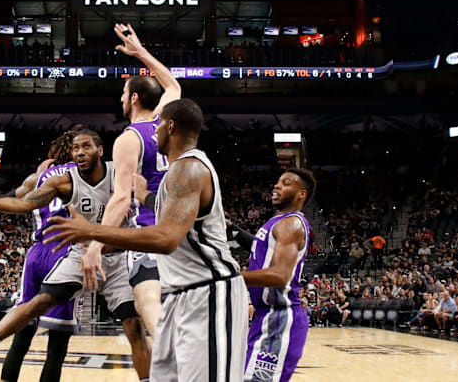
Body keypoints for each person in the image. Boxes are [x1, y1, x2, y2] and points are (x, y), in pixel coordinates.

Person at [44, 99, 249, 382]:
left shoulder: (188, 168)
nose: (154, 133)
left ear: (171, 126)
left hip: (208, 292)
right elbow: (174, 217)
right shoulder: (176, 173)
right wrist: (144, 198)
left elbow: (166, 238)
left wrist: (93, 232)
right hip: (181, 292)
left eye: (159, 125)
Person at [0, 128, 150, 381]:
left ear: (100, 150)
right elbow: (25, 203)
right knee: (40, 301)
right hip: (81, 254)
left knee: (134, 326)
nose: (79, 152)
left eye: (86, 146)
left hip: (119, 257)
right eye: (75, 148)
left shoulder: (118, 172)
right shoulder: (63, 181)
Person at [81, 23, 180, 339]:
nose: (121, 99)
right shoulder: (166, 122)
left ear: (134, 98)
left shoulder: (129, 138)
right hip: (181, 230)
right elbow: (173, 86)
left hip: (149, 230)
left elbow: (122, 197)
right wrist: (141, 53)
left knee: (146, 298)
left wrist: (96, 243)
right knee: (176, 303)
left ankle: (173, 353)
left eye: (124, 94)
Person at [0, 129, 79, 382]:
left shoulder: (40, 175)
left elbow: (18, 196)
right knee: (57, 344)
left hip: (37, 253)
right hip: (64, 253)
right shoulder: (81, 173)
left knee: (22, 331)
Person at [236, 168, 316, 382]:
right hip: (266, 317)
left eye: (286, 183)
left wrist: (232, 276)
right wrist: (234, 231)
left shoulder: (291, 224)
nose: (277, 185)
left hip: (279, 318)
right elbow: (261, 246)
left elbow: (280, 275)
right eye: (278, 181)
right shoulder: (279, 222)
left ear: (301, 194)